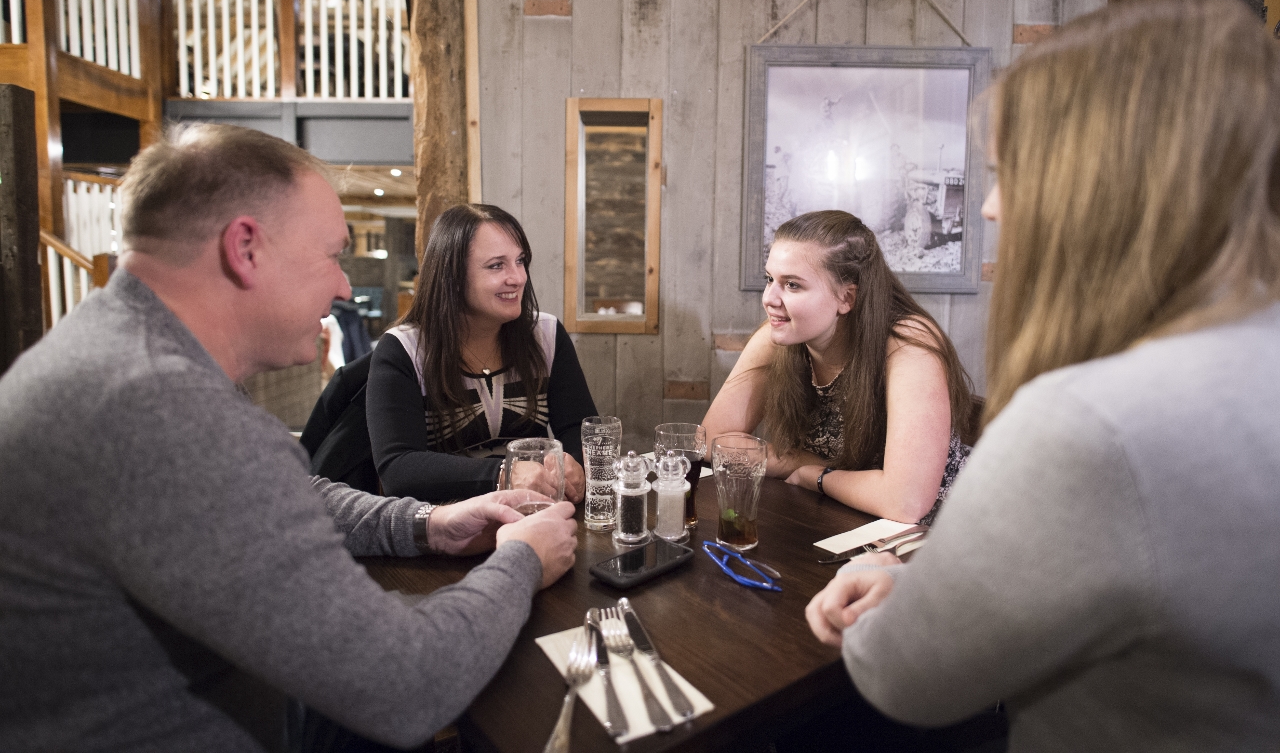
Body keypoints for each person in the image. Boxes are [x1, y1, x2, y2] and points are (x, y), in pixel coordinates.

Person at [0, 124, 579, 752]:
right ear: (245, 247)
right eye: (331, 254)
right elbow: (404, 685)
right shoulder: (161, 407)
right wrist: (521, 559)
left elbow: (287, 493)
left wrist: (427, 522)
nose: (340, 286)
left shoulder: (117, 351)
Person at [806, 0, 1280, 749]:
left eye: (1005, 172)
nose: (989, 208)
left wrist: (898, 603)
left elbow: (909, 675)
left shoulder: (1094, 424)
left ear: (1093, 183)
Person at [702, 210, 973, 525]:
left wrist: (815, 476)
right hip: (842, 518)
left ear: (847, 297)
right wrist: (797, 461)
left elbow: (906, 502)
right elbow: (711, 440)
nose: (769, 298)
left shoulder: (907, 342)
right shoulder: (778, 336)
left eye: (792, 285)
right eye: (770, 279)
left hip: (944, 531)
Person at [366, 203, 594, 503]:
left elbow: (580, 428)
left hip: (532, 517)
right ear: (452, 275)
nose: (518, 277)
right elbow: (398, 469)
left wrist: (575, 464)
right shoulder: (403, 350)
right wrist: (504, 473)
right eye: (496, 265)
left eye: (520, 261)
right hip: (446, 529)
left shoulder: (546, 335)